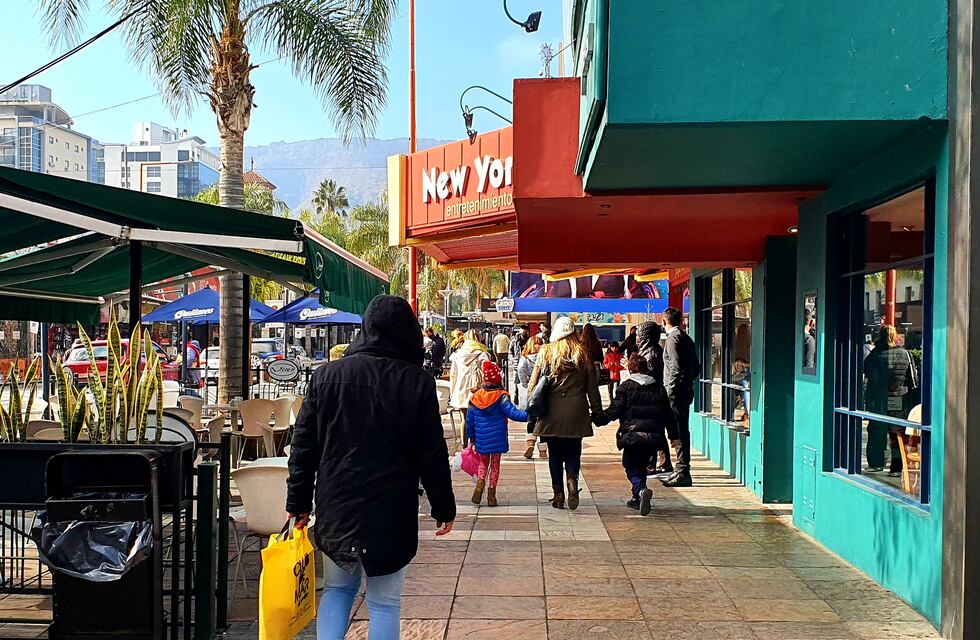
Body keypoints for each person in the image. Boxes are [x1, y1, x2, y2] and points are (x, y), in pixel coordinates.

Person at [286, 295, 456, 640]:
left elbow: (303, 448)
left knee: (337, 590)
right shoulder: (417, 381)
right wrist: (443, 506)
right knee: (384, 603)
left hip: (337, 502)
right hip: (392, 506)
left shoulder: (326, 377)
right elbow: (432, 453)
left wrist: (298, 504)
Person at [527, 316, 602, 510]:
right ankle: (572, 482)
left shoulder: (546, 352)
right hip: (577, 411)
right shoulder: (583, 353)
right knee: (573, 452)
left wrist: (531, 408)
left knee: (554, 455)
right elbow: (592, 388)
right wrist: (597, 411)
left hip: (551, 412)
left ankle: (558, 494)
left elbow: (533, 384)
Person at [593, 354, 678, 515]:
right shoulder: (659, 388)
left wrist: (597, 418)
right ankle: (637, 498)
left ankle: (640, 490)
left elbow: (614, 411)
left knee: (630, 465)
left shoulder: (626, 387)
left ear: (630, 369)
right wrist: (674, 436)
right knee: (642, 465)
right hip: (653, 437)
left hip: (633, 436)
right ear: (646, 369)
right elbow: (668, 415)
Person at [466, 361, 528, 506]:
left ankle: (479, 486)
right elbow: (513, 413)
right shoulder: (501, 396)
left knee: (483, 463)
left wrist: (472, 438)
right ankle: (491, 496)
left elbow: (469, 421)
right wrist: (529, 415)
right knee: (495, 466)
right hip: (498, 438)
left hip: (481, 438)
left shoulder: (475, 397)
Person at [863, 324, 918, 475]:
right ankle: (897, 467)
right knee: (897, 434)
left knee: (876, 431)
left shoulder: (875, 354)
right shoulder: (905, 354)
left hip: (879, 400)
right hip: (899, 399)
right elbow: (913, 379)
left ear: (880, 335)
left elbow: (867, 372)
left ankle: (876, 463)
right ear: (896, 336)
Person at [661, 307, 700, 488]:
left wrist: (672, 390)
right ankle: (680, 469)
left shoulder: (672, 339)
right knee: (680, 430)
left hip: (676, 394)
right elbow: (696, 367)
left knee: (679, 431)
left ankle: (683, 471)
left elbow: (675, 368)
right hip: (684, 392)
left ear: (664, 322)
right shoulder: (686, 338)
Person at [636, 320, 670, 474]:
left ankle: (652, 463)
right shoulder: (649, 350)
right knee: (656, 431)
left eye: (639, 335)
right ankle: (663, 462)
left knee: (652, 431)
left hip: (652, 398)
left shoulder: (652, 353)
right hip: (651, 398)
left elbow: (649, 377)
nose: (637, 338)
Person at [448, 330, 492, 446]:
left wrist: (453, 393)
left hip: (461, 391)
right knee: (478, 420)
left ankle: (464, 447)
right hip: (478, 391)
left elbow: (453, 375)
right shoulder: (482, 354)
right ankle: (476, 446)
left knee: (464, 420)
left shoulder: (457, 355)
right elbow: (487, 373)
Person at [517, 335, 547, 459]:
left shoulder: (524, 358)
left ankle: (530, 443)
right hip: (544, 392)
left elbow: (520, 370)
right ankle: (543, 451)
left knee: (531, 419)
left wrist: (526, 384)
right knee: (544, 421)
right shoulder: (545, 358)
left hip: (531, 392)